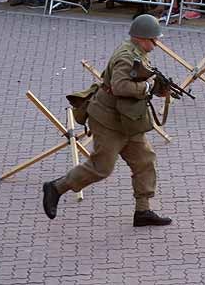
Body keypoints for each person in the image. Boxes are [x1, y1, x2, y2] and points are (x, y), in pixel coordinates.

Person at [41, 14, 173, 227]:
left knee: (144, 161)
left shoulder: (137, 52)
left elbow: (135, 78)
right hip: (108, 120)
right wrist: (147, 88)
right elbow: (121, 87)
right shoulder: (127, 56)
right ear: (141, 38)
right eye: (153, 40)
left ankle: (143, 211)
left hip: (128, 120)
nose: (156, 45)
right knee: (101, 167)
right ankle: (56, 187)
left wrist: (158, 87)